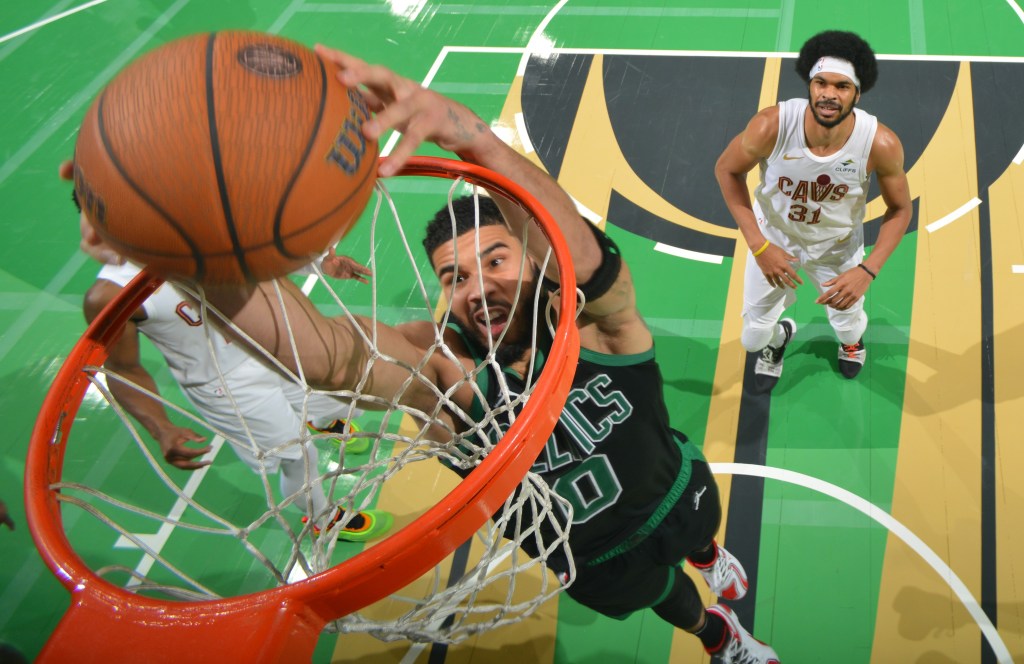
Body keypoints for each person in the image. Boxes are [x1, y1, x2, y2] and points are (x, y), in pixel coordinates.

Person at [73, 46, 778, 662]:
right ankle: (720, 637)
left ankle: (711, 559)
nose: (477, 287)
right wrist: (195, 247)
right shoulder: (446, 371)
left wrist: (470, 136)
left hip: (672, 489)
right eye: (454, 276)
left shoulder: (597, 327)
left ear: (534, 262)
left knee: (697, 541)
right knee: (669, 602)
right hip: (590, 554)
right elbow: (328, 358)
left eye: (496, 259)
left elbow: (589, 263)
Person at [76, 248, 392, 543]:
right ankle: (322, 517)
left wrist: (319, 262)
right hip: (226, 385)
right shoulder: (110, 293)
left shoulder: (197, 229)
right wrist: (161, 427)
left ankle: (323, 420)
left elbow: (260, 251)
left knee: (336, 393)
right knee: (301, 457)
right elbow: (125, 369)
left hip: (268, 345)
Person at [715, 30, 912, 391]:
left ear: (857, 92)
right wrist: (759, 246)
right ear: (810, 83)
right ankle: (780, 337)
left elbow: (900, 209)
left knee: (848, 324)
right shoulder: (771, 125)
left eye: (841, 86)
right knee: (753, 339)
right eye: (821, 82)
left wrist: (867, 270)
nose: (829, 94)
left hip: (837, 248)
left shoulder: (879, 143)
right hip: (774, 241)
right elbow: (726, 170)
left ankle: (852, 341)